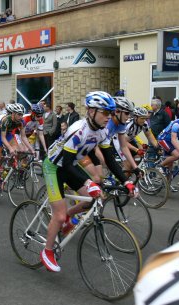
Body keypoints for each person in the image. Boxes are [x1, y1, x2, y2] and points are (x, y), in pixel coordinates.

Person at [41, 91, 136, 272]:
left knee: (94, 198)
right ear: (91, 111)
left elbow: (109, 158)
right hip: (54, 167)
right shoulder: (78, 130)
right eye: (105, 113)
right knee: (59, 215)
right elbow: (66, 164)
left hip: (69, 165)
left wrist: (126, 181)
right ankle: (47, 251)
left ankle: (69, 215)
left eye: (111, 113)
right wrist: (88, 183)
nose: (109, 117)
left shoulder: (102, 131)